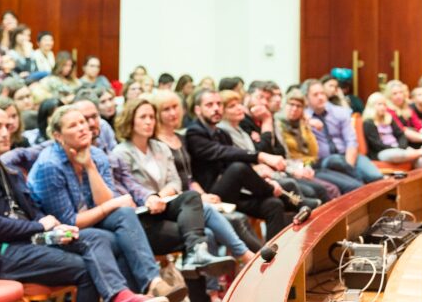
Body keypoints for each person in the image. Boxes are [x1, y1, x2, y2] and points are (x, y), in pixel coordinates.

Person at [0, 107, 169, 302]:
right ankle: (121, 298)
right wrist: (39, 226)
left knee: (100, 238)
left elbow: (33, 211)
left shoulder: (9, 172)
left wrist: (55, 227)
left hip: (27, 243)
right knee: (86, 267)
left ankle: (126, 298)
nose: (5, 132)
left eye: (7, 126)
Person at [27, 105, 186, 302]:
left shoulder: (97, 155)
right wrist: (113, 204)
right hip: (54, 234)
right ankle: (131, 301)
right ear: (59, 136)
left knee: (125, 217)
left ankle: (151, 283)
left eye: (83, 122)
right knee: (113, 237)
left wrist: (89, 166)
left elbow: (105, 202)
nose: (82, 128)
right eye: (73, 125)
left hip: (89, 224)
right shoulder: (50, 165)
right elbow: (70, 221)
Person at [112, 98, 237, 276]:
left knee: (192, 197)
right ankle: (210, 285)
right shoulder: (121, 153)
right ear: (130, 120)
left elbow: (175, 182)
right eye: (143, 117)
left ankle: (198, 261)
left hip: (164, 207)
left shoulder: (160, 147)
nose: (149, 121)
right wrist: (151, 198)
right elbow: (127, 189)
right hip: (143, 217)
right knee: (205, 233)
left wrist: (160, 196)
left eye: (151, 117)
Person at [151, 89, 261, 258]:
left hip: (192, 196)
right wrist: (198, 197)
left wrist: (203, 195)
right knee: (234, 220)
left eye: (175, 107)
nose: (173, 113)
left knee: (238, 218)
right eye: (166, 109)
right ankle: (260, 262)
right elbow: (166, 182)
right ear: (157, 113)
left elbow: (189, 177)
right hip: (174, 202)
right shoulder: (155, 143)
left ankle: (261, 262)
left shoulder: (181, 139)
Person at [184, 88, 290, 239]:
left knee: (273, 205)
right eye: (209, 105)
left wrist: (261, 179)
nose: (216, 108)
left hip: (230, 192)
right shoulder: (194, 133)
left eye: (219, 104)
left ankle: (274, 254)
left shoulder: (221, 133)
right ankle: (278, 193)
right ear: (198, 109)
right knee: (238, 167)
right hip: (209, 195)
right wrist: (260, 157)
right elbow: (223, 153)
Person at [278, 87, 361, 194]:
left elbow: (314, 151)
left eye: (298, 106)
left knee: (356, 185)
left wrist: (306, 124)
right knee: (345, 187)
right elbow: (285, 155)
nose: (294, 109)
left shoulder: (304, 124)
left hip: (313, 165)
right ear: (284, 105)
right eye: (291, 104)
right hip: (297, 168)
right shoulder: (278, 125)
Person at [304, 79, 383, 185]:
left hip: (349, 156)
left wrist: (348, 166)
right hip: (325, 160)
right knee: (335, 161)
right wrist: (307, 120)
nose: (320, 97)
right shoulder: (303, 117)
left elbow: (351, 141)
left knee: (376, 176)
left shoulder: (339, 112)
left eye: (322, 93)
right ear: (306, 98)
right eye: (315, 94)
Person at [361, 93, 422, 168]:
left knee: (420, 160)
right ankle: (421, 151)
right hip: (382, 152)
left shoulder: (389, 118)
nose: (383, 107)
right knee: (396, 154)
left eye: (384, 104)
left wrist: (401, 146)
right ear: (371, 106)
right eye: (379, 104)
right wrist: (396, 149)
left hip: (399, 148)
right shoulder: (368, 123)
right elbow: (377, 145)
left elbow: (401, 135)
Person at [384, 80, 422, 145]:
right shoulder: (388, 110)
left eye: (401, 92)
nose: (399, 96)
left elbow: (418, 126)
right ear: (389, 96)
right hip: (400, 143)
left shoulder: (408, 107)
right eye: (395, 93)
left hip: (415, 139)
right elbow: (402, 130)